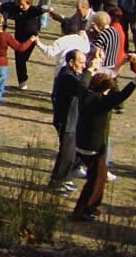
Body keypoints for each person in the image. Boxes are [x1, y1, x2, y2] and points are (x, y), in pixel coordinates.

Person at [73, 54, 136, 221]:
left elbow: (83, 83)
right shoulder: (103, 102)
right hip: (96, 147)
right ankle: (85, 209)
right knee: (96, 180)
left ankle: (91, 208)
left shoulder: (84, 96)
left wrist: (90, 69)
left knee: (98, 177)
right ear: (106, 89)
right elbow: (123, 95)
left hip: (80, 143)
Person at [49, 48, 88, 194]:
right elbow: (81, 88)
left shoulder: (73, 73)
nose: (84, 66)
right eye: (81, 62)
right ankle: (57, 181)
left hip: (73, 119)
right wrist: (90, 71)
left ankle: (65, 178)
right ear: (71, 62)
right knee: (67, 154)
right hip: (66, 120)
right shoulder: (66, 76)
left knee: (71, 154)